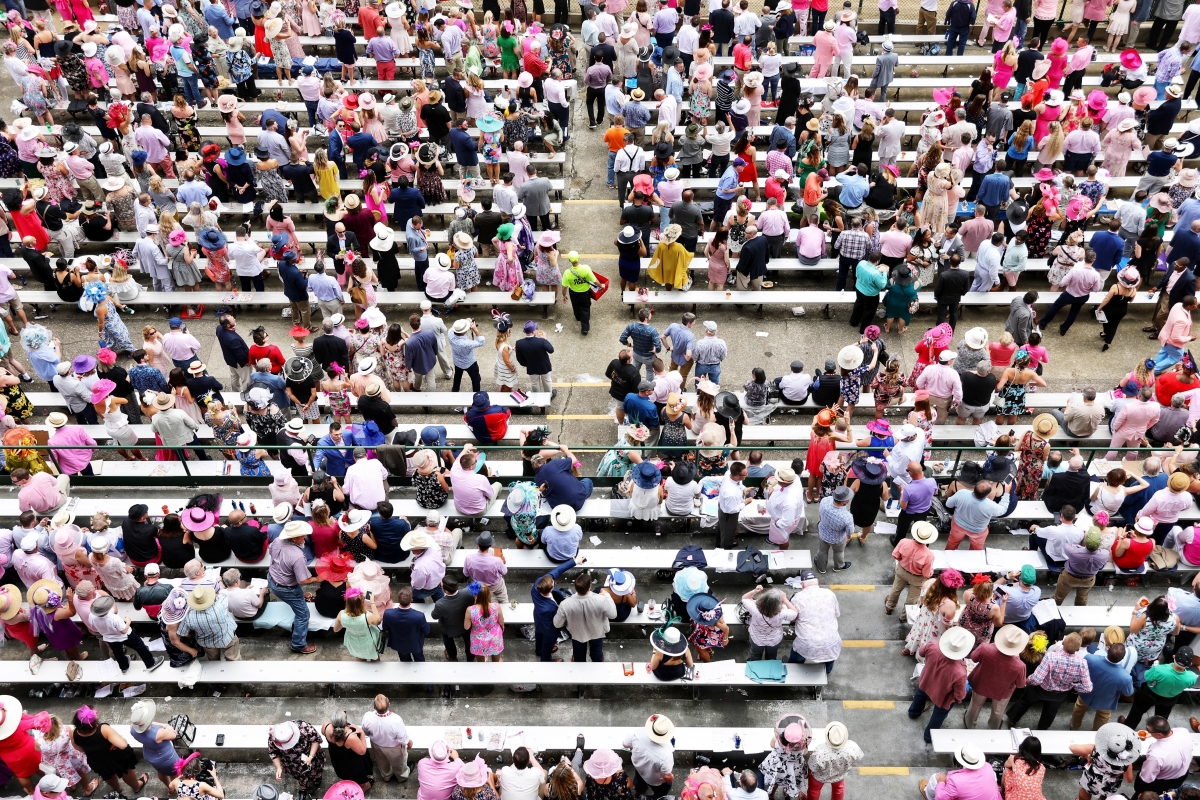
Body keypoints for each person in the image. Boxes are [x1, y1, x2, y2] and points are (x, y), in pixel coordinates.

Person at [1007, 632, 1094, 729]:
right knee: (1050, 713)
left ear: (1063, 642)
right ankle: (1042, 730)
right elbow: (1088, 688)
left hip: (1040, 689)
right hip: (1060, 694)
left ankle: (1012, 720)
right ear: (1078, 649)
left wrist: (1028, 680)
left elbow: (1036, 679)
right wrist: (1074, 686)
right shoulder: (1082, 663)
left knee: (1024, 703)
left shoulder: (1050, 656)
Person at [910, 626, 973, 742]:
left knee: (920, 695)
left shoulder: (933, 645)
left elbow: (921, 652)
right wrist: (961, 697)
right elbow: (960, 695)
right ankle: (929, 736)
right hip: (942, 696)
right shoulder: (960, 672)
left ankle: (913, 712)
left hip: (926, 681)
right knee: (939, 714)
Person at [267, 520, 320, 654]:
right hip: (286, 588)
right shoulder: (297, 556)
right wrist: (319, 578)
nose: (305, 538)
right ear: (294, 538)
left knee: (296, 596)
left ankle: (298, 597)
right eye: (303, 536)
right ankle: (298, 645)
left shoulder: (277, 540)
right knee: (303, 615)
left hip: (272, 578)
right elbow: (303, 580)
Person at [965, 625, 1031, 729]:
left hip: (981, 683)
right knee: (998, 711)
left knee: (975, 705)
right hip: (1002, 691)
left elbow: (973, 658)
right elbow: (1020, 684)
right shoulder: (1020, 666)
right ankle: (993, 727)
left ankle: (970, 724)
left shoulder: (984, 648)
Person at [553, 570, 617, 662]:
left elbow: (557, 624)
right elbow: (613, 615)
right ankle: (598, 662)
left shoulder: (565, 604)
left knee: (578, 651)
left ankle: (580, 664)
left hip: (578, 633)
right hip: (597, 631)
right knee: (597, 650)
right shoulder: (601, 600)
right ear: (589, 587)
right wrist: (607, 595)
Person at [1072, 642, 1134, 731]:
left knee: (1078, 710)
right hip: (1106, 702)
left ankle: (1073, 727)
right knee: (1102, 717)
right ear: (1122, 658)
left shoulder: (1090, 658)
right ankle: (1096, 734)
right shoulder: (1125, 677)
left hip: (1085, 694)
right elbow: (1128, 693)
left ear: (1107, 650)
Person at [884, 521, 938, 621]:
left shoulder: (903, 542)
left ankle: (889, 607)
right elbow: (926, 573)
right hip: (917, 578)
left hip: (902, 571)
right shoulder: (929, 555)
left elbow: (895, 555)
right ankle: (903, 617)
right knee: (912, 599)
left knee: (896, 589)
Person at [807, 722, 862, 800]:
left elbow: (812, 766)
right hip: (839, 774)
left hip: (819, 776)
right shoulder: (852, 747)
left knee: (814, 790)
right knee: (838, 789)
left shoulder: (820, 751)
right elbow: (857, 758)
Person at [622, 715, 674, 798]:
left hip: (639, 767)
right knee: (661, 792)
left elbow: (625, 744)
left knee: (639, 782)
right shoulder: (666, 755)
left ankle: (639, 792)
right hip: (654, 779)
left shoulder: (637, 732)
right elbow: (666, 776)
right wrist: (671, 778)